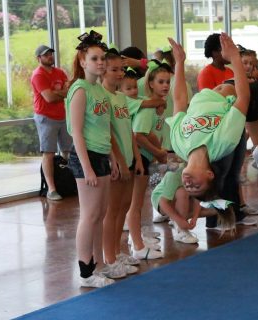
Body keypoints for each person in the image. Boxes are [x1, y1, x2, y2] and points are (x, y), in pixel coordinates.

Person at [166, 34, 258, 200]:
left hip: (232, 88)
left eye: (188, 187)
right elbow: (243, 99)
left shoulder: (178, 144)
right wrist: (234, 59)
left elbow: (180, 100)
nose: (189, 184)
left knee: (254, 87)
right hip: (244, 96)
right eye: (196, 186)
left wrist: (180, 62)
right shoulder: (222, 144)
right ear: (210, 175)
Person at [66, 30, 116, 287]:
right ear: (83, 61)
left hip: (100, 155)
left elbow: (103, 128)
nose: (101, 63)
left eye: (103, 58)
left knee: (101, 213)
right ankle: (86, 273)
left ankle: (100, 264)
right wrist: (87, 168)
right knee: (89, 214)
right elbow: (76, 132)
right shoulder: (80, 90)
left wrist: (112, 158)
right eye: (95, 58)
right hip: (85, 157)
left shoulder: (99, 90)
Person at [101, 48, 143, 277]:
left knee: (124, 207)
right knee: (112, 210)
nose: (119, 73)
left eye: (121, 69)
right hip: (117, 163)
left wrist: (136, 158)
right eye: (114, 69)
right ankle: (109, 257)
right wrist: (118, 161)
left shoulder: (121, 97)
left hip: (128, 158)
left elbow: (129, 131)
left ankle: (117, 252)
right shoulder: (102, 96)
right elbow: (109, 134)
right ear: (103, 70)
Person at [126, 60, 171, 260]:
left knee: (136, 204)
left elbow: (150, 133)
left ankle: (136, 239)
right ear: (150, 84)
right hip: (138, 159)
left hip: (146, 158)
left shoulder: (158, 106)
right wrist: (157, 152)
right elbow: (138, 135)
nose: (165, 86)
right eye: (161, 82)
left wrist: (158, 151)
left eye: (167, 82)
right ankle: (137, 245)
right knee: (134, 205)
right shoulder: (147, 108)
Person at [31, 45, 72, 201]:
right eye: (46, 55)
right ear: (39, 58)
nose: (50, 56)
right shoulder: (38, 75)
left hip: (62, 116)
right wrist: (61, 93)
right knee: (48, 153)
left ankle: (68, 182)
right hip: (46, 118)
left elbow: (70, 91)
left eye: (51, 54)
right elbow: (49, 98)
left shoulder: (59, 72)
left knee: (67, 151)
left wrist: (57, 93)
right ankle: (51, 189)